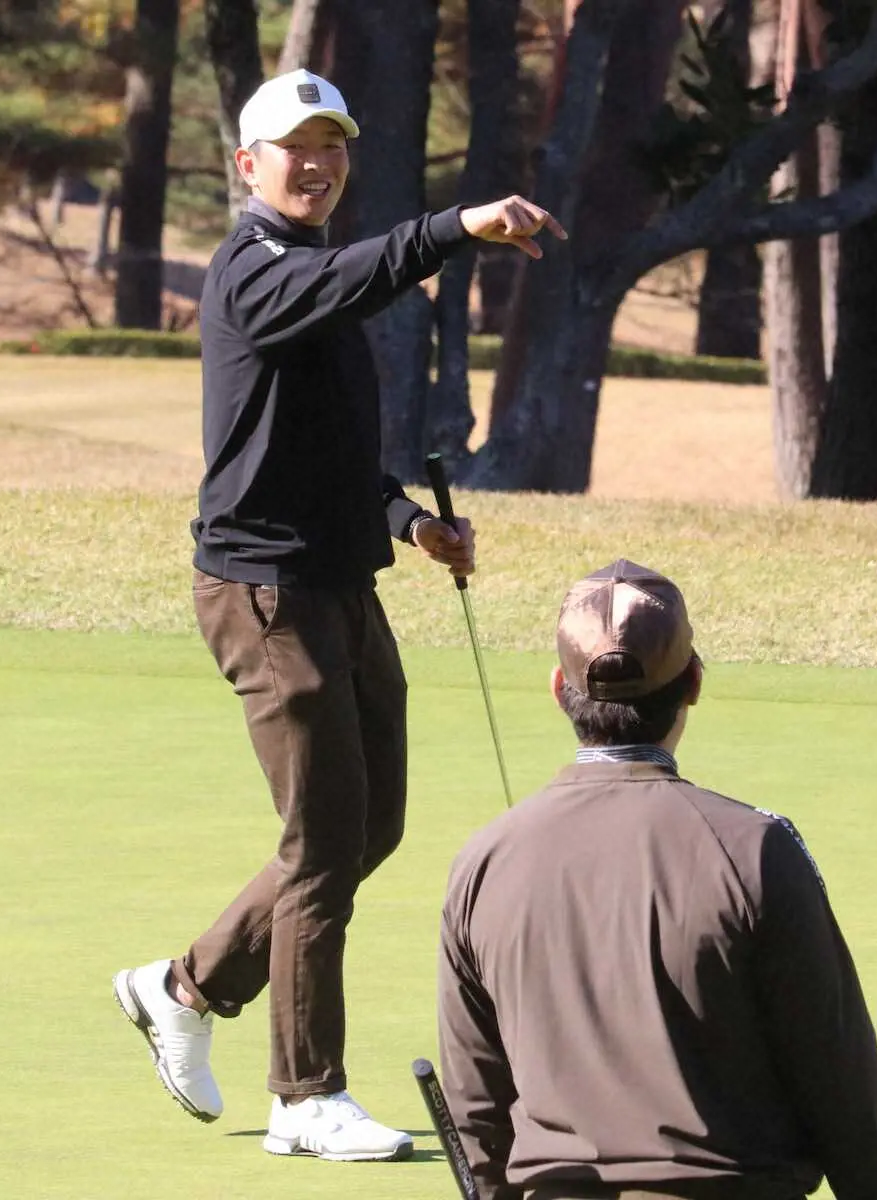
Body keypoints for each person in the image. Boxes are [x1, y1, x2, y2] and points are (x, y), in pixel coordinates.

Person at [113, 68, 566, 1163]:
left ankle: (182, 987)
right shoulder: (252, 272)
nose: (315, 164)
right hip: (264, 595)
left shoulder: (311, 270)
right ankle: (303, 1096)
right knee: (320, 848)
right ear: (246, 165)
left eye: (332, 147)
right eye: (292, 146)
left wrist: (410, 521)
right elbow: (375, 272)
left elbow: (319, 457)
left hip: (336, 583)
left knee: (370, 827)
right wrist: (458, 223)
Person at [438, 559, 877, 1200]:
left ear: (559, 688)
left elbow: (477, 1112)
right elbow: (841, 1085)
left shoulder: (482, 861)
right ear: (692, 682)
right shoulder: (755, 849)